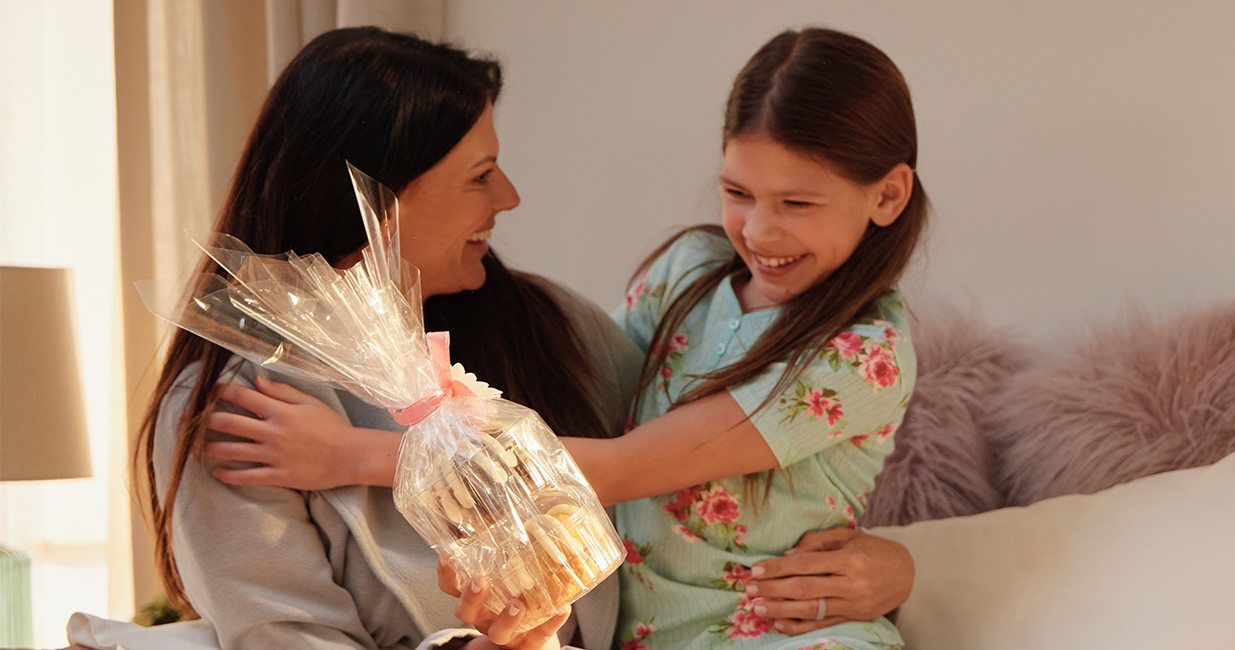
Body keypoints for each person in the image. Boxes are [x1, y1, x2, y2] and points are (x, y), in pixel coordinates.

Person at [134, 26, 913, 650]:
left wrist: (901, 566)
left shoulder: (538, 324)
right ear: (375, 194)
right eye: (481, 175)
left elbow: (661, 458)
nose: (510, 197)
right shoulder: (240, 417)